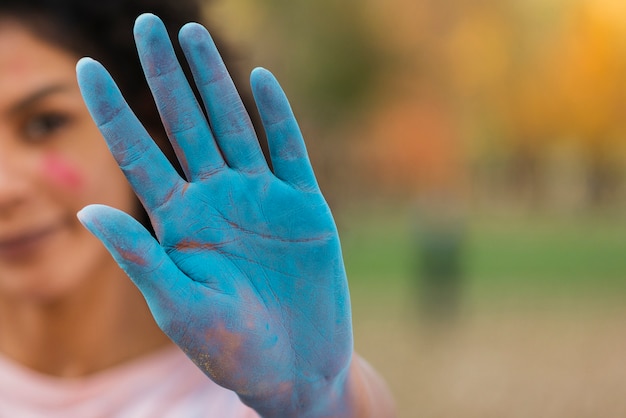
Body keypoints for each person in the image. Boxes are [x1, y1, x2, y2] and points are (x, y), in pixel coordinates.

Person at [0, 0, 395, 416]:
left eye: (44, 123)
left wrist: (317, 403)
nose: (4, 189)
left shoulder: (253, 380)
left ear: (148, 120)